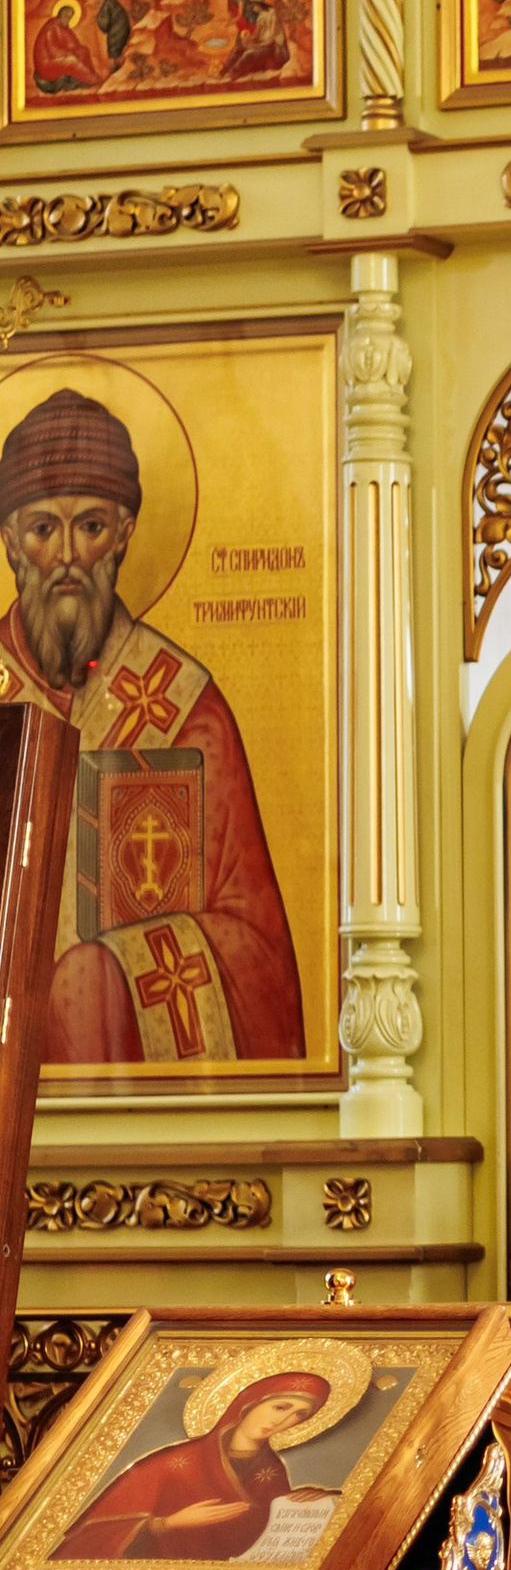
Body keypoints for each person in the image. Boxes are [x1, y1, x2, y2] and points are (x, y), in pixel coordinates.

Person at [0, 383, 302, 1070]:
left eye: (92, 526)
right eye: (45, 529)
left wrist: (103, 979)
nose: (70, 554)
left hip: (126, 1066)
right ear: (12, 542)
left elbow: (255, 946)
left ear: (126, 534)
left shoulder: (188, 710)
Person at [60, 1365, 349, 1563]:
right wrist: (166, 1524)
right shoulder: (173, 1463)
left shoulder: (271, 1471)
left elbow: (268, 1533)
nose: (284, 1421)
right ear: (250, 1403)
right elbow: (86, 1540)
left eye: (299, 1416)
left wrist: (310, 1505)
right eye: (281, 1407)